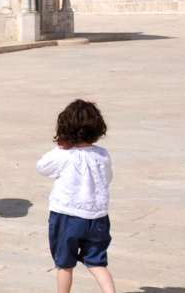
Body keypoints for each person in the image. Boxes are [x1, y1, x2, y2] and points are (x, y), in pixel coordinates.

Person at [38, 100, 115, 293]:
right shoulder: (102, 154)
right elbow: (108, 178)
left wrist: (59, 148)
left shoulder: (64, 155)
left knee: (64, 264)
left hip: (67, 216)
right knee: (97, 262)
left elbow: (42, 167)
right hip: (98, 217)